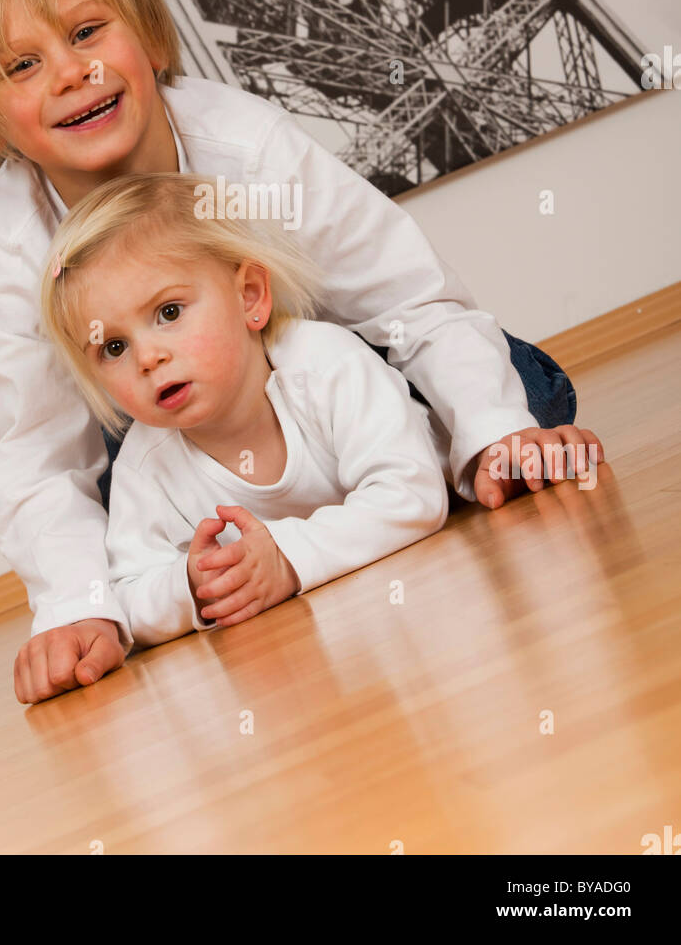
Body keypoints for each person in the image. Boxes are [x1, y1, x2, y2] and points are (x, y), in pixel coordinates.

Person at [0, 0, 603, 702]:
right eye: (20, 66)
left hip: (333, 385)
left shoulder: (249, 146)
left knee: (518, 386)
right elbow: (42, 458)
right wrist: (79, 608)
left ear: (149, 33)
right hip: (178, 447)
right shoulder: (4, 255)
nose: (71, 74)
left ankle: (393, 477)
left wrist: (490, 430)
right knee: (111, 514)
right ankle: (333, 522)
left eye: (88, 32)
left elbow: (411, 300)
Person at [40, 172, 450, 649]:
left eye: (168, 313)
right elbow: (127, 596)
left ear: (249, 297)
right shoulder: (144, 465)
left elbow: (413, 494)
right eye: (113, 347)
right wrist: (190, 585)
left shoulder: (326, 366)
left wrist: (286, 557)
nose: (147, 358)